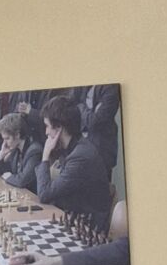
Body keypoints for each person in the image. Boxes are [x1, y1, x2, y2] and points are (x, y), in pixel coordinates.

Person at [34, 95, 112, 228]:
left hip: (88, 229)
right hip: (73, 218)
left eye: (47, 126)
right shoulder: (73, 148)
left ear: (59, 128)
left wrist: (45, 156)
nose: (46, 132)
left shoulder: (80, 156)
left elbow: (44, 194)